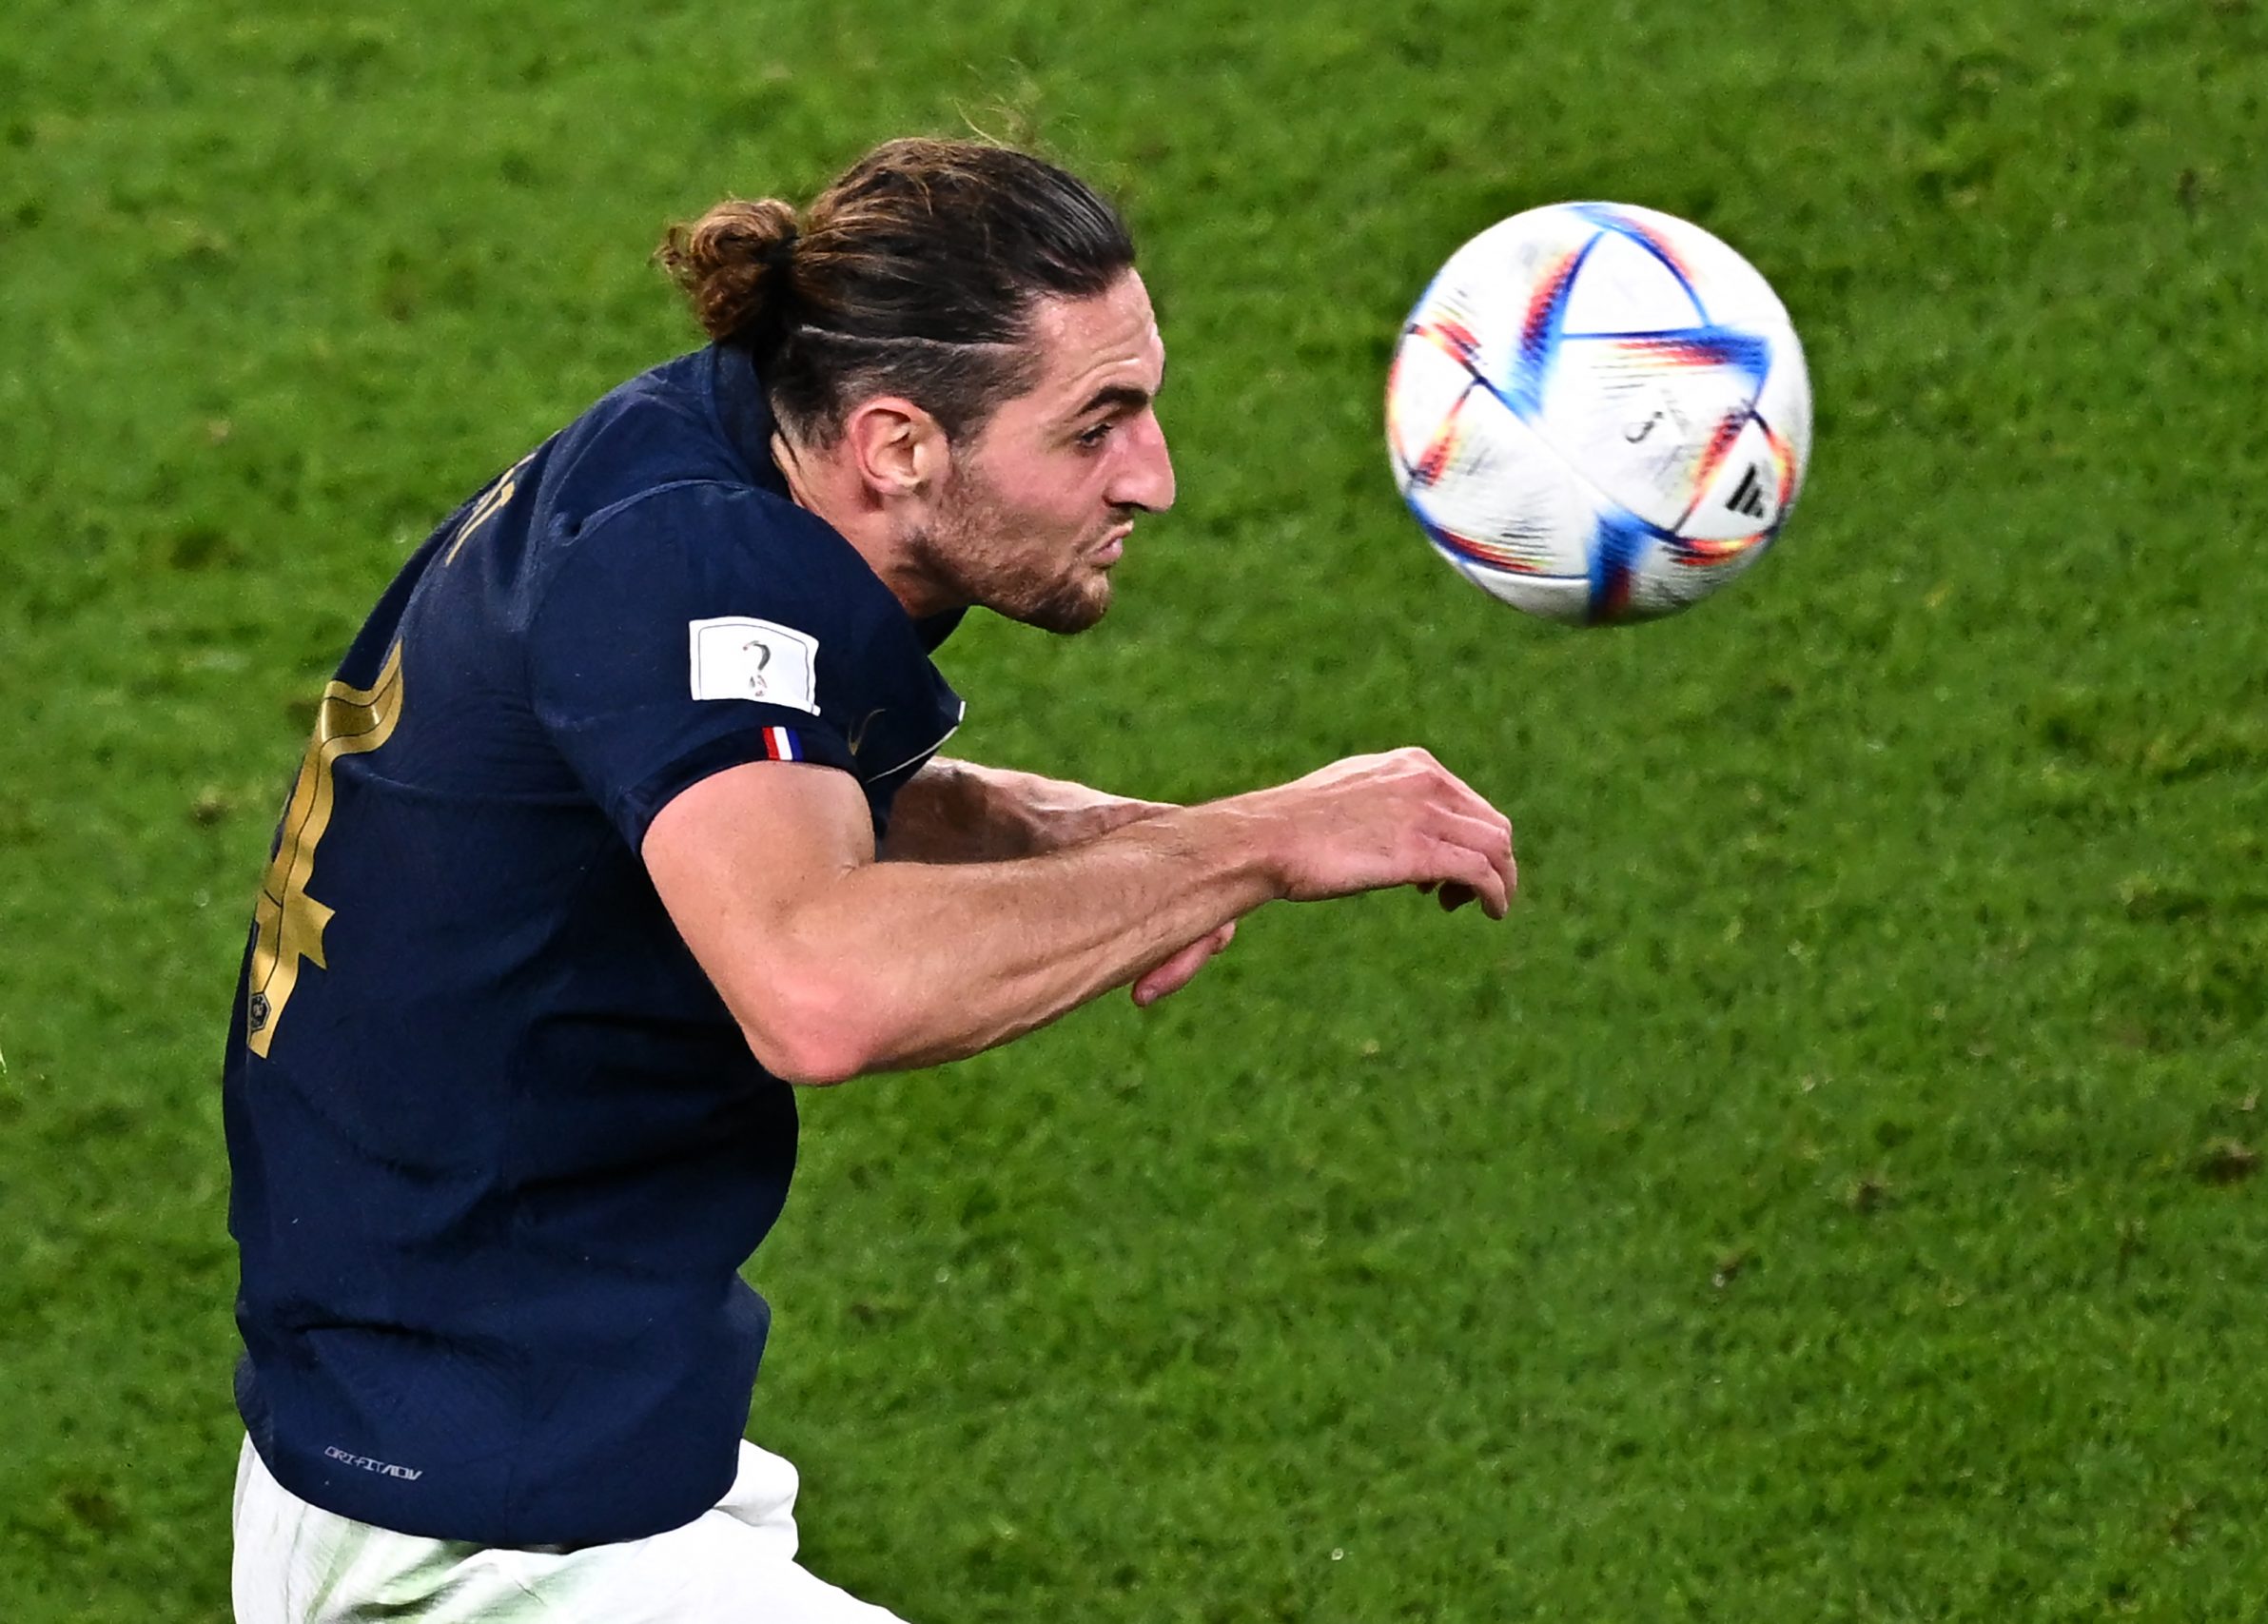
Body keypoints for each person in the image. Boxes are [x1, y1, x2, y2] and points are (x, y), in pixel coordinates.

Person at [223, 136, 1518, 1622]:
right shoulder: (683, 574)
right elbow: (818, 988)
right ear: (899, 444)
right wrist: (1260, 841)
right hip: (476, 1537)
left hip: (507, 1437)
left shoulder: (704, 458)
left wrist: (1122, 844)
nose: (1152, 478)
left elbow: (762, 804)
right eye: (1099, 424)